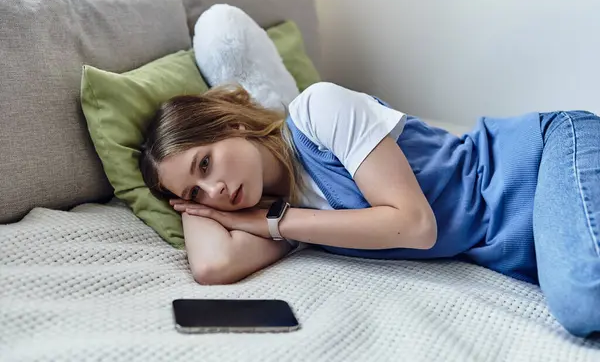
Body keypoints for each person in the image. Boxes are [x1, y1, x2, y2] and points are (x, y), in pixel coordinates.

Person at [139, 81, 600, 338]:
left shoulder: (317, 112)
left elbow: (415, 226)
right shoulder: (286, 216)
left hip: (542, 160)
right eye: (196, 192)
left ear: (233, 123)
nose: (216, 189)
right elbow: (214, 265)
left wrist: (274, 222)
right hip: (528, 236)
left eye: (205, 163)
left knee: (582, 300)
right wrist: (192, 206)